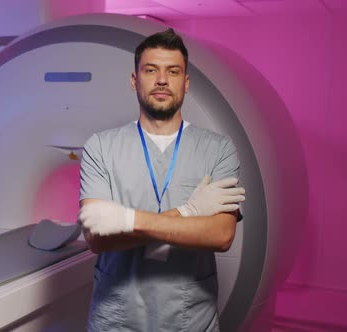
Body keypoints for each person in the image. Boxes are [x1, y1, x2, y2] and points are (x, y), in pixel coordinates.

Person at [78, 28, 245, 331]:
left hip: (189, 318)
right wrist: (189, 213)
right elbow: (98, 238)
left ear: (186, 83)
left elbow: (221, 235)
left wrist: (126, 220)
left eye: (173, 71)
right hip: (117, 319)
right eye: (150, 70)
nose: (162, 80)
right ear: (134, 80)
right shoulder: (100, 147)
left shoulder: (218, 149)